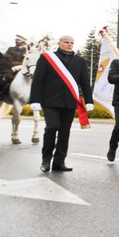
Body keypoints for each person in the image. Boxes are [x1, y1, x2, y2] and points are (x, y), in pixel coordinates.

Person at [29, 35, 93, 173]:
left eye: (72, 42)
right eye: (66, 42)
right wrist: (34, 99)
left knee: (64, 132)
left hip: (69, 102)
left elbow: (84, 83)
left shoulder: (79, 61)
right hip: (50, 101)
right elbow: (38, 80)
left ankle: (59, 162)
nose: (69, 44)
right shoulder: (47, 58)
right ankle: (46, 160)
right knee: (52, 128)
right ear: (59, 43)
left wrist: (89, 100)